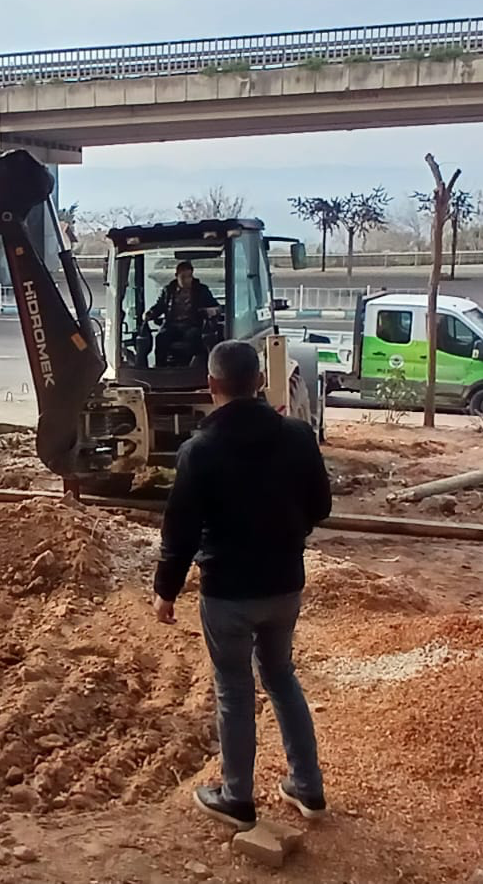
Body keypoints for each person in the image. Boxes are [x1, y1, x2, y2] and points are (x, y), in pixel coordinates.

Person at [152, 339, 334, 831]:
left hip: (228, 593)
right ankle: (309, 788)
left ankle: (237, 798)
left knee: (234, 690)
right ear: (258, 382)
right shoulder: (297, 436)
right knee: (281, 677)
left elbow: (180, 532)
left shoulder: (200, 451)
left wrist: (165, 590)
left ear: (211, 385)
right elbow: (321, 507)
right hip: (284, 587)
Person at [146, 260, 221, 366]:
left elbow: (216, 307)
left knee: (194, 336)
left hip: (192, 324)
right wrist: (151, 313)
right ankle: (160, 368)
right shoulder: (168, 290)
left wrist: (210, 311)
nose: (187, 280)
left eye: (189, 276)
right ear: (176, 276)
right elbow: (160, 307)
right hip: (172, 325)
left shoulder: (201, 290)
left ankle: (192, 368)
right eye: (183, 277)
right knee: (161, 337)